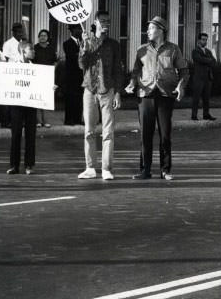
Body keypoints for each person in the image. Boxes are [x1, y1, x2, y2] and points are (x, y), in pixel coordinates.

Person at [126, 16, 189, 181]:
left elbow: (184, 71)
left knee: (165, 135)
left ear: (161, 30)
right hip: (145, 95)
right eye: (148, 29)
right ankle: (145, 170)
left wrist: (180, 87)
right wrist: (132, 84)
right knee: (145, 135)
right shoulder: (142, 50)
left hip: (165, 95)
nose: (148, 31)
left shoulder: (174, 49)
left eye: (151, 28)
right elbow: (135, 72)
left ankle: (165, 170)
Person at [78, 11, 123, 181]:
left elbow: (118, 70)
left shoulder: (114, 45)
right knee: (89, 130)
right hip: (89, 90)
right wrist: (84, 46)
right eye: (102, 21)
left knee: (108, 131)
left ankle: (106, 168)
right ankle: (90, 167)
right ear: (95, 22)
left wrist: (118, 92)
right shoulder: (87, 41)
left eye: (108, 21)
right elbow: (81, 64)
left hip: (108, 90)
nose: (106, 24)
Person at [6, 41, 40, 175]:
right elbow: (5, 82)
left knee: (31, 134)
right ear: (22, 52)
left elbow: (39, 85)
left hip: (31, 103)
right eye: (31, 49)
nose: (34, 51)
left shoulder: (35, 68)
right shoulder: (12, 66)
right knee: (16, 134)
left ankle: (29, 165)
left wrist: (49, 89)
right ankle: (14, 165)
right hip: (16, 104)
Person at [190, 32, 217, 121]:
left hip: (208, 78)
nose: (204, 41)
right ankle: (194, 115)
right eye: (203, 39)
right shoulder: (195, 51)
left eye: (206, 40)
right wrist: (208, 60)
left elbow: (214, 62)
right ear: (198, 40)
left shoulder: (208, 51)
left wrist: (207, 60)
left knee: (206, 98)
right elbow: (199, 59)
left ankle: (206, 114)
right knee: (196, 98)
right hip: (198, 78)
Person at [33, 29, 57, 128]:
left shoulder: (51, 48)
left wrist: (53, 69)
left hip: (48, 76)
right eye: (41, 35)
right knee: (37, 97)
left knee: (46, 98)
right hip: (37, 75)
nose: (43, 37)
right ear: (38, 37)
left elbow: (55, 61)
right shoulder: (35, 48)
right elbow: (31, 61)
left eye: (45, 35)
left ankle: (45, 120)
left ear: (47, 37)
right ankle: (38, 121)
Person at [62, 25, 85, 125]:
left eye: (80, 29)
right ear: (72, 31)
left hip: (80, 75)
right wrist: (81, 52)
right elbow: (72, 56)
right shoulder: (67, 43)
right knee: (70, 97)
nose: (80, 31)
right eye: (77, 29)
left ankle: (77, 119)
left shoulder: (82, 43)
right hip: (71, 75)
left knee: (79, 97)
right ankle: (69, 119)